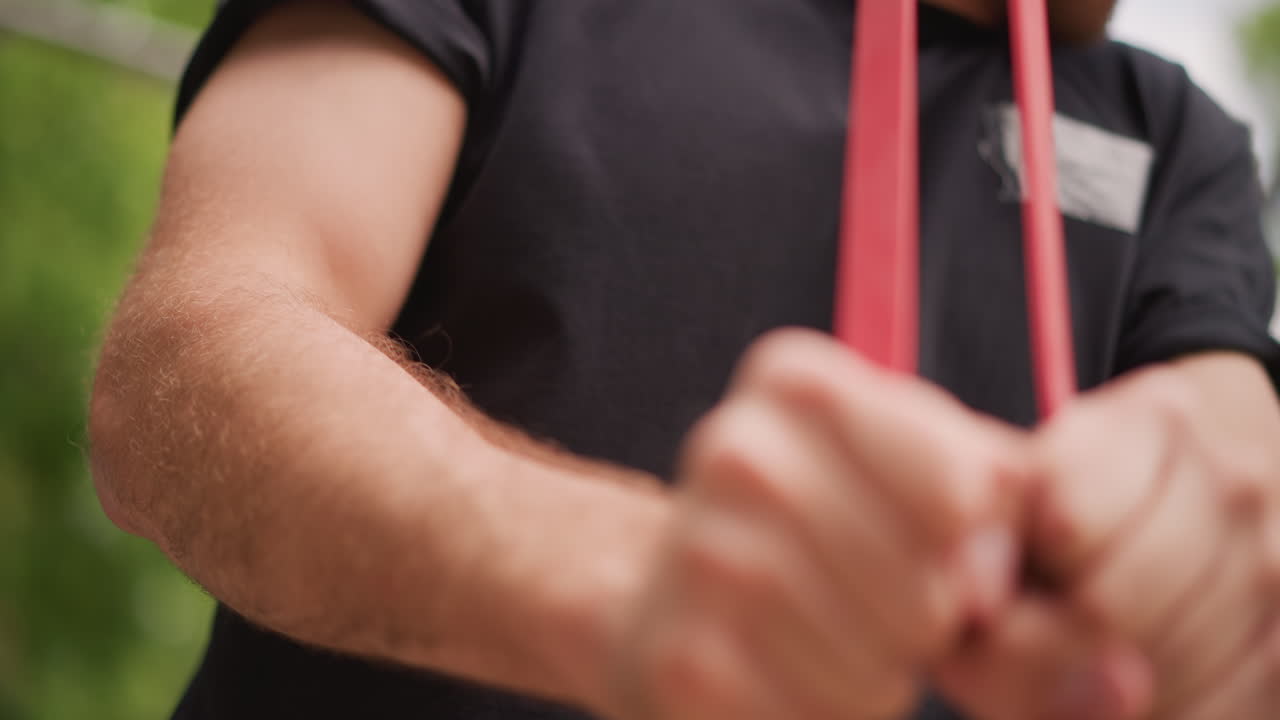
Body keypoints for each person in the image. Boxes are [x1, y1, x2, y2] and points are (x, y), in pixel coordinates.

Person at [88, 0, 1280, 718]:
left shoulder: (1178, 143)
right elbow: (190, 354)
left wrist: (1201, 593)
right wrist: (630, 588)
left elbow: (1232, 455)